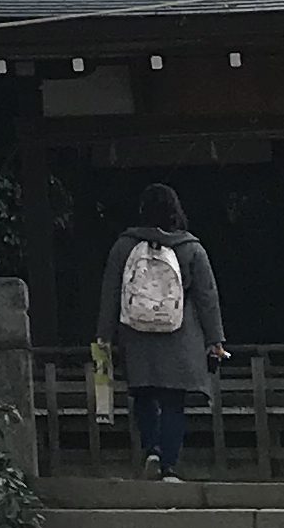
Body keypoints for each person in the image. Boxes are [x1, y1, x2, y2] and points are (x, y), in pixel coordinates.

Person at [96, 183, 227, 479]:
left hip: (136, 334)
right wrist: (215, 340)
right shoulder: (191, 248)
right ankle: (169, 465)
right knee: (173, 401)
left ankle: (151, 450)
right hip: (179, 336)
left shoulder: (124, 246)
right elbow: (207, 296)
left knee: (144, 394)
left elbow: (110, 292)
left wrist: (104, 335)